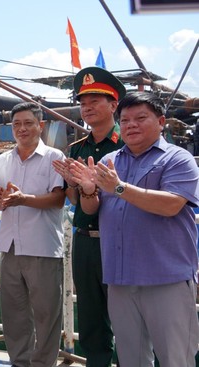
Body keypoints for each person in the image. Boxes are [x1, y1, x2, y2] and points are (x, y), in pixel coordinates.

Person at [70, 92, 199, 366]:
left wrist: (118, 187)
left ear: (161, 121)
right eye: (125, 120)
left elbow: (172, 205)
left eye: (141, 118)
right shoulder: (109, 161)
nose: (131, 125)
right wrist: (89, 190)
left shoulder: (178, 159)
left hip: (165, 279)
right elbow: (92, 210)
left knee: (176, 358)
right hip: (120, 277)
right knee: (131, 358)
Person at [51, 66, 125, 367]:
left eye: (96, 100)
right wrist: (74, 184)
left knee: (128, 317)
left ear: (114, 105)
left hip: (119, 242)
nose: (88, 107)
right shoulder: (76, 149)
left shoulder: (126, 147)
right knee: (92, 319)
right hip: (84, 243)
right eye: (83, 102)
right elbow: (73, 201)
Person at [0, 102, 66, 367]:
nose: (22, 129)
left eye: (28, 123)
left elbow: (58, 199)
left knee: (47, 314)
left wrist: (24, 199)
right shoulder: (3, 160)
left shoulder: (54, 157)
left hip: (42, 246)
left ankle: (44, 364)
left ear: (40, 126)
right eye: (16, 124)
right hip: (10, 246)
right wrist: (0, 200)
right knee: (14, 314)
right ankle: (20, 362)